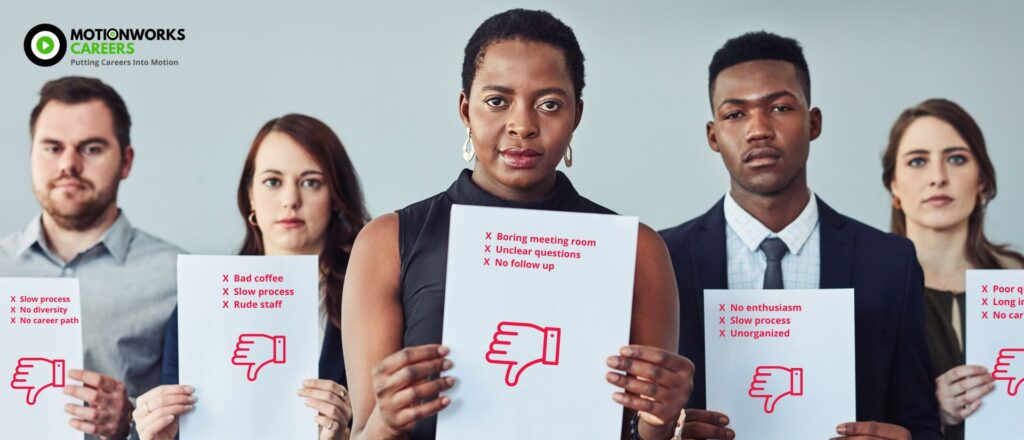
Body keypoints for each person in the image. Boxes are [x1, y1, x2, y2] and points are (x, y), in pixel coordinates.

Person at [341, 9, 692, 440]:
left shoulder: (638, 250)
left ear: (577, 115)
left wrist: (660, 422)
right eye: (497, 101)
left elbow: (643, 432)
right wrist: (385, 422)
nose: (522, 126)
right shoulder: (387, 242)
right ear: (465, 110)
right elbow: (363, 431)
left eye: (549, 104)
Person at [659, 31, 942, 439]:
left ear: (813, 123)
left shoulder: (889, 263)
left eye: (779, 107)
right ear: (713, 136)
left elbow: (921, 422)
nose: (758, 130)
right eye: (735, 114)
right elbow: (629, 420)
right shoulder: (663, 259)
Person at [132, 114, 369, 440]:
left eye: (311, 182)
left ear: (335, 197)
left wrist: (345, 437)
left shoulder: (370, 297)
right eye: (273, 182)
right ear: (250, 197)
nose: (290, 200)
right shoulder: (203, 299)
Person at [0, 76, 179, 439]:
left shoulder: (177, 277)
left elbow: (202, 425)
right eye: (52, 148)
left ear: (126, 161)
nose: (69, 164)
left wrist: (130, 423)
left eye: (92, 148)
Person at [882, 98, 1024, 440]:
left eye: (956, 159)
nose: (938, 178)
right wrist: (926, 412)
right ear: (894, 185)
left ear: (982, 180)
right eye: (918, 161)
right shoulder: (867, 287)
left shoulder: (1019, 277)